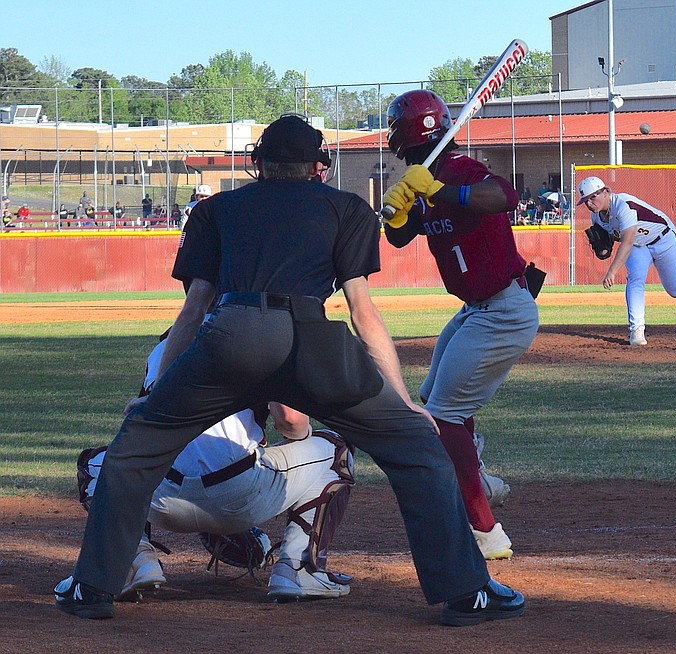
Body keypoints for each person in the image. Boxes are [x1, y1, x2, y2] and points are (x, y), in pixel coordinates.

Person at [53, 114, 523, 627]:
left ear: (257, 164)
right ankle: (466, 592)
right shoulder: (346, 208)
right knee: (418, 449)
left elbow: (193, 310)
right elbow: (364, 313)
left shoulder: (215, 210)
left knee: (133, 449)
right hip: (310, 342)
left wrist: (154, 397)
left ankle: (91, 587)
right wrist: (404, 401)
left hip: (228, 336)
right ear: (318, 166)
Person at [75, 334, 355, 603]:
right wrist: (299, 443)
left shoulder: (166, 346)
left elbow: (142, 435)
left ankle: (133, 560)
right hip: (241, 499)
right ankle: (298, 569)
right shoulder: (263, 337)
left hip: (161, 500)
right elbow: (290, 420)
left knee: (98, 464)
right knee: (335, 449)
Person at [380, 90, 539, 561]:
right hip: (476, 310)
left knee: (444, 417)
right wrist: (402, 207)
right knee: (436, 403)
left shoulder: (459, 171)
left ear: (406, 135)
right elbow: (399, 236)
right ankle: (482, 481)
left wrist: (437, 191)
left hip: (504, 309)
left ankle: (486, 533)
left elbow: (503, 197)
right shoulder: (423, 175)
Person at [576, 176, 676, 346]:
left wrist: (612, 271)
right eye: (586, 201)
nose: (589, 204)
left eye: (593, 197)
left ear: (605, 192)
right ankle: (637, 330)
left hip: (663, 239)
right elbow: (616, 240)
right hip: (639, 246)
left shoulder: (624, 206)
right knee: (635, 279)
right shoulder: (596, 217)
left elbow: (627, 241)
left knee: (675, 289)